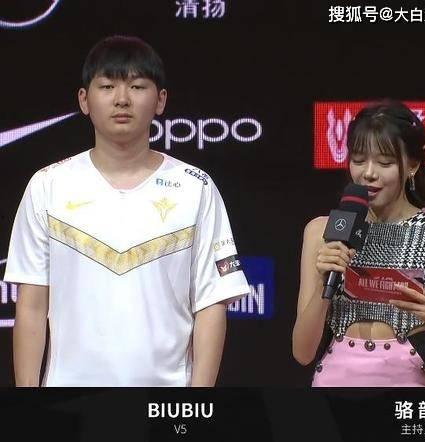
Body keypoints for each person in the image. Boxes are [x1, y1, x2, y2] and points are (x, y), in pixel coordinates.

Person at [4, 35, 249, 387]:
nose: (122, 99)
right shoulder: (48, 185)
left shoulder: (196, 188)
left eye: (137, 86)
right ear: (84, 100)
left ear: (160, 100)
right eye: (107, 86)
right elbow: (30, 306)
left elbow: (211, 304)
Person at [292, 100, 425, 387]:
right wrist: (326, 286)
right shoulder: (322, 231)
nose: (368, 173)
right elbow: (302, 353)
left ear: (412, 165)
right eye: (358, 160)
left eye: (385, 163)